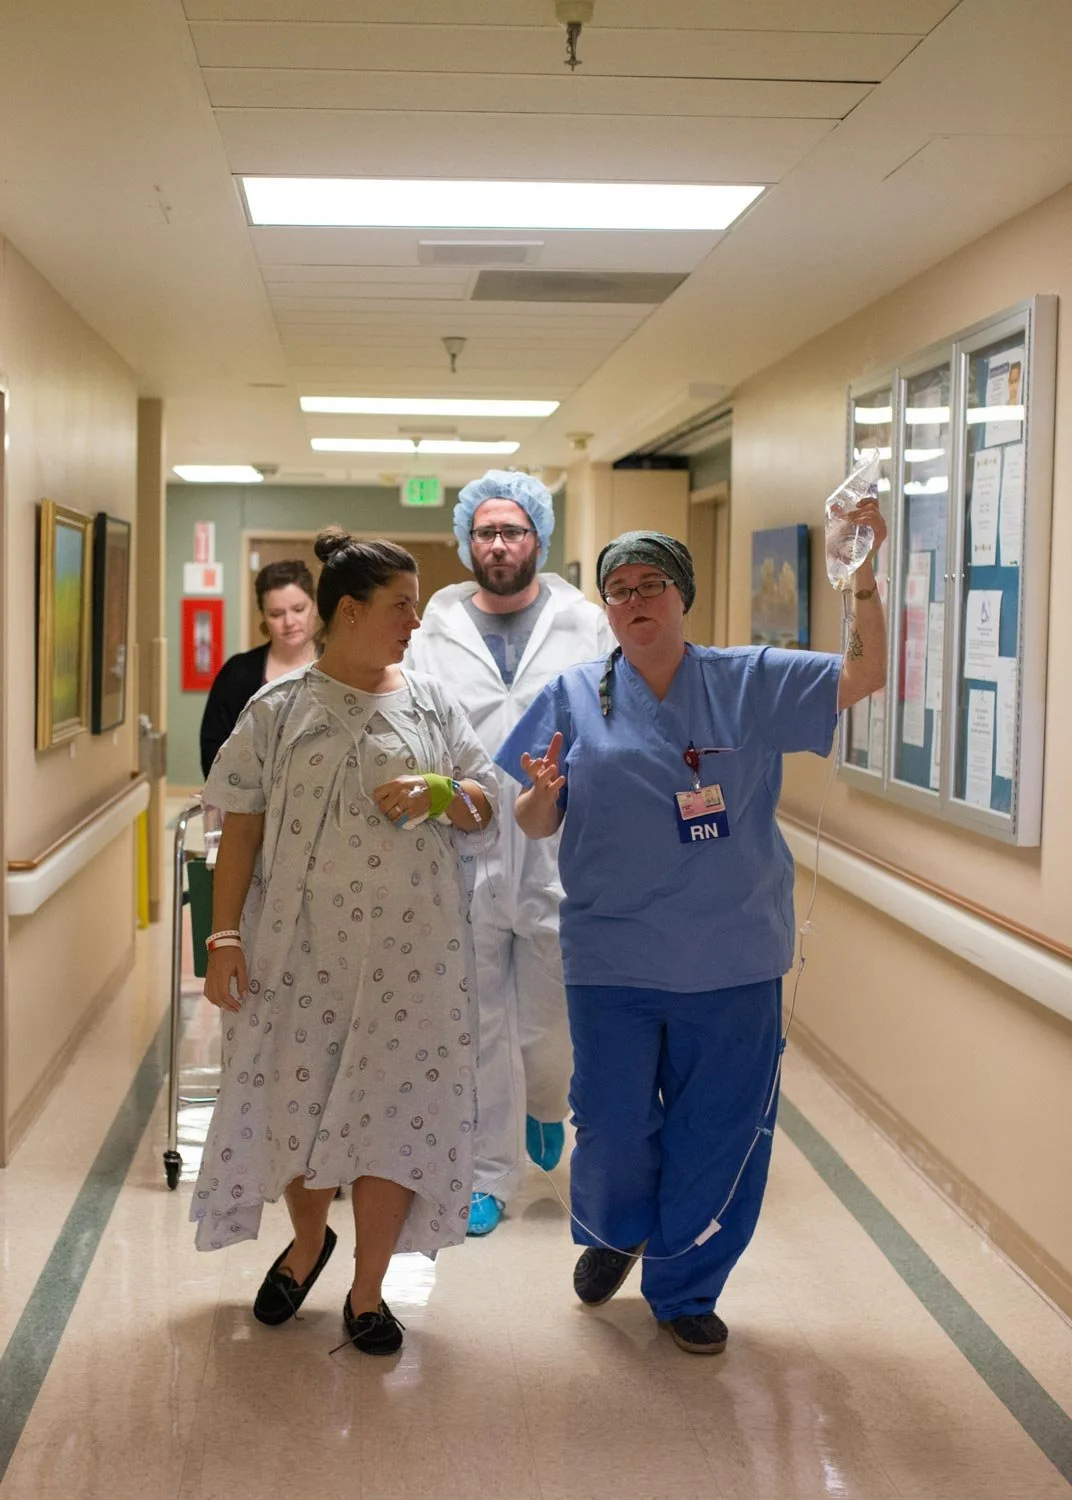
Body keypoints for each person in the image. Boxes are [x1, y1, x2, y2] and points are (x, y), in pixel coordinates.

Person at [496, 513, 887, 1354]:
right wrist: (541, 795)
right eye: (618, 590)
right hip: (611, 956)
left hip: (732, 954)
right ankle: (618, 1231)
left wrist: (862, 573)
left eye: (652, 585)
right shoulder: (573, 695)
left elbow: (865, 673)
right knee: (610, 1124)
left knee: (718, 1130)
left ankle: (686, 1286)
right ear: (605, 607)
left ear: (683, 596)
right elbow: (533, 820)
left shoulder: (749, 680)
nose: (634, 600)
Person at [194, 530, 497, 1357]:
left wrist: (443, 792)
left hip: (414, 959)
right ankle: (306, 1242)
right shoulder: (277, 710)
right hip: (297, 953)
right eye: (401, 606)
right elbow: (240, 832)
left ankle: (368, 1290)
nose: (414, 621)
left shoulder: (432, 704)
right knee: (298, 1102)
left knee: (394, 1111)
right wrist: (224, 938)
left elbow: (487, 806)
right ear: (351, 612)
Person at [406, 470, 615, 1236]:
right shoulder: (433, 631)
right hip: (464, 844)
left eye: (513, 531)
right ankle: (488, 1175)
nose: (498, 544)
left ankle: (544, 1103)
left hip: (559, 846)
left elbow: (612, 718)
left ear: (538, 540)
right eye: (486, 532)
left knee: (551, 1024)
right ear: (468, 542)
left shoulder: (584, 624)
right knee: (479, 1020)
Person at [199, 559, 319, 777]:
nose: (289, 621)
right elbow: (213, 751)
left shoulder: (341, 666)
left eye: (298, 609)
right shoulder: (237, 673)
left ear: (315, 605)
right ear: (263, 615)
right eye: (276, 614)